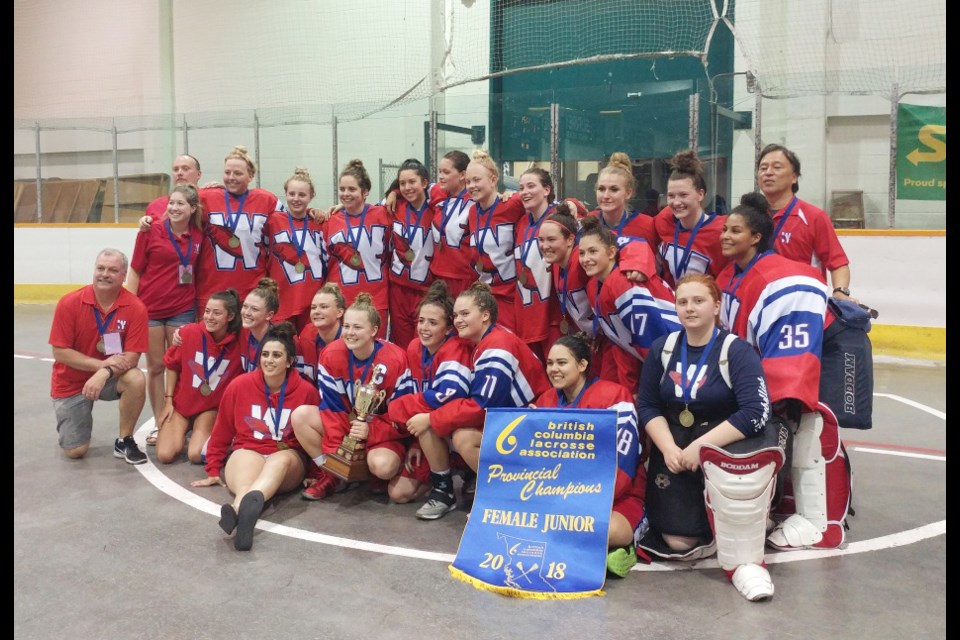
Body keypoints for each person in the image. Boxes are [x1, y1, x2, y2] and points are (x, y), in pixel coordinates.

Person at [636, 273, 786, 601]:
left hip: (723, 447)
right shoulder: (663, 349)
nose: (689, 308)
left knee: (729, 509)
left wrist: (701, 448)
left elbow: (755, 412)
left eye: (699, 301)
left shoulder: (737, 351)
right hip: (676, 449)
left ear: (716, 306)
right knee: (679, 542)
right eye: (682, 302)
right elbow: (647, 404)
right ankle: (726, 525)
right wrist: (669, 449)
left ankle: (746, 523)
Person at [716, 192, 852, 551]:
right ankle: (785, 503)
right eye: (725, 229)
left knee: (807, 420)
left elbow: (792, 365)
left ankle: (819, 522)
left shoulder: (783, 276)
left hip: (822, 354)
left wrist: (772, 395)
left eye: (735, 230)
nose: (725, 236)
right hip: (780, 355)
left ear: (756, 237)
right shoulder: (730, 275)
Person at [191, 322, 321, 551]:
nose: (269, 360)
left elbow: (315, 434)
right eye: (265, 354)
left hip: (287, 457)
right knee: (243, 461)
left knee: (280, 460)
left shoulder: (306, 391)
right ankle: (245, 509)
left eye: (277, 355)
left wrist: (314, 473)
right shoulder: (239, 386)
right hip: (249, 449)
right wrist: (213, 468)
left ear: (289, 361)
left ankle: (244, 505)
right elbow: (222, 431)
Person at [401, 282, 550, 480]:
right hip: (518, 417)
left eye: (465, 314)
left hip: (536, 424)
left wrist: (431, 418)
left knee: (464, 438)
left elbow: (482, 406)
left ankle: (505, 498)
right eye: (455, 316)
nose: (458, 321)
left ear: (485, 316)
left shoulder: (497, 345)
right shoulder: (487, 340)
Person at [531, 335, 647, 578]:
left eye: (562, 363)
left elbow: (625, 464)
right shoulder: (546, 400)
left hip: (615, 497)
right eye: (550, 363)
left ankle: (623, 547)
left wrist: (583, 501)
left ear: (582, 365)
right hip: (559, 498)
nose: (554, 369)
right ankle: (597, 554)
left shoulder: (615, 396)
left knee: (597, 529)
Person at [292, 292, 412, 500]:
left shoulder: (395, 359)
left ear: (374, 330)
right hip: (347, 423)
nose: (350, 333)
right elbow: (332, 409)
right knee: (301, 416)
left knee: (383, 467)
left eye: (357, 327)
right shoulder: (331, 354)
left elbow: (401, 414)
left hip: (381, 428)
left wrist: (371, 430)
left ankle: (372, 474)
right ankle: (330, 475)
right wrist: (339, 457)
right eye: (346, 326)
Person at [48, 248, 148, 465]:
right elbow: (60, 352)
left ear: (123, 276)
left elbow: (131, 357)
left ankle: (125, 440)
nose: (105, 274)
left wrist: (104, 372)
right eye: (100, 268)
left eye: (113, 270)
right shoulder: (70, 303)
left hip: (109, 377)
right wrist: (101, 365)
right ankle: (75, 424)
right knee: (76, 451)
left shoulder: (135, 307)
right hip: (71, 382)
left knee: (136, 378)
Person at [387, 281, 474, 519]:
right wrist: (414, 443)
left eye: (433, 323)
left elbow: (449, 395)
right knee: (399, 493)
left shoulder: (456, 347)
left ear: (448, 329)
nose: (424, 328)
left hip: (465, 426)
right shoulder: (415, 347)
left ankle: (444, 489)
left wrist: (401, 409)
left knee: (423, 418)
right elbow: (408, 392)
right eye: (421, 321)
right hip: (440, 428)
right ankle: (449, 472)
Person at [127, 184, 205, 444]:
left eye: (180, 204)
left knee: (180, 367)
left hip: (182, 309)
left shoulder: (198, 235)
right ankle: (161, 421)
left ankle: (179, 418)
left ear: (192, 208)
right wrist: (130, 306)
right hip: (150, 310)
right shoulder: (151, 231)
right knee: (157, 367)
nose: (173, 208)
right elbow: (136, 269)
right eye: (171, 203)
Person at [579, 215, 681, 391]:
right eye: (581, 253)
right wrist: (631, 389)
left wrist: (659, 386)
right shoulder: (595, 285)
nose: (585, 259)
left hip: (679, 358)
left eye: (593, 251)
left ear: (611, 252)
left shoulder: (622, 281)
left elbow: (651, 336)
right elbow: (624, 343)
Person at [156, 289, 244, 465]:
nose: (210, 317)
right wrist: (168, 401)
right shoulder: (188, 332)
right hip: (182, 405)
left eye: (217, 313)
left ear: (230, 316)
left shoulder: (241, 340)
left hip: (209, 407)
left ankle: (222, 437)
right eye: (207, 311)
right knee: (165, 455)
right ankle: (186, 431)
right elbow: (172, 365)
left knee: (196, 454)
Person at [756, 143, 853, 299]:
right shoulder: (750, 216)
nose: (768, 173)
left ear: (794, 177)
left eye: (777, 167)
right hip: (759, 301)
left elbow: (838, 263)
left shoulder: (814, 217)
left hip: (801, 304)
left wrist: (840, 292)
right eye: (763, 168)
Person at [195, 145, 278, 315]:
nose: (231, 178)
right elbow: (175, 208)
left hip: (252, 290)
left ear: (251, 176)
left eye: (238, 173)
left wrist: (315, 213)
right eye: (227, 172)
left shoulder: (267, 200)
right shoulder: (206, 197)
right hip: (212, 289)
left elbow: (294, 218)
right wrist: (150, 219)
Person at [323, 159, 392, 339]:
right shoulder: (330, 220)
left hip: (376, 298)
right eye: (342, 189)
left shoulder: (382, 214)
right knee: (345, 351)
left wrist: (395, 192)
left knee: (376, 350)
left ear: (365, 191)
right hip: (342, 300)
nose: (346, 194)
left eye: (352, 189)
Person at [465, 150, 525, 331]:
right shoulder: (473, 212)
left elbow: (544, 201)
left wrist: (571, 204)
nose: (471, 186)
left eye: (477, 180)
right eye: (468, 181)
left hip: (510, 298)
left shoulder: (512, 204)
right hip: (485, 299)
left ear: (493, 180)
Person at [654, 150, 729, 288]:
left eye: (683, 195)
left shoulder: (721, 231)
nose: (676, 202)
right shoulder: (663, 221)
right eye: (671, 196)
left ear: (700, 194)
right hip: (672, 304)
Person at [265, 167, 326, 332]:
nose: (296, 199)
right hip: (282, 297)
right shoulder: (272, 221)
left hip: (312, 298)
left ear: (311, 196)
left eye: (302, 195)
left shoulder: (319, 222)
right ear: (285, 193)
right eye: (292, 194)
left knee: (309, 346)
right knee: (284, 348)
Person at [386, 159, 437, 350]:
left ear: (424, 183)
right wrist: (393, 193)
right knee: (400, 344)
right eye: (402, 184)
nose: (407, 188)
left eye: (412, 182)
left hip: (427, 290)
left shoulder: (437, 207)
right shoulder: (393, 206)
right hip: (398, 289)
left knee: (424, 344)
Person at [513, 167, 563, 362]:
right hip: (528, 313)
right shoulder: (522, 223)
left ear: (547, 190)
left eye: (531, 186)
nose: (525, 192)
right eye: (521, 187)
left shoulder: (558, 218)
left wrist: (574, 204)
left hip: (553, 315)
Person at [429, 150, 476, 299]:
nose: (441, 176)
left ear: (462, 175)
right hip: (437, 274)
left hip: (463, 277)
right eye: (440, 172)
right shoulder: (439, 192)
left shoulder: (475, 199)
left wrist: (504, 195)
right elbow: (414, 183)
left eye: (446, 172)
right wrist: (394, 192)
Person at [296, 283, 346, 384]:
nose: (316, 312)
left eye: (324, 307)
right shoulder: (306, 335)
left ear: (339, 312)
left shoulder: (350, 341)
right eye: (313, 307)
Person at [239, 278, 280, 373]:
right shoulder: (242, 333)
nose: (247, 313)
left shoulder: (281, 341)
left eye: (254, 309)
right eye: (245, 306)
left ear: (269, 315)